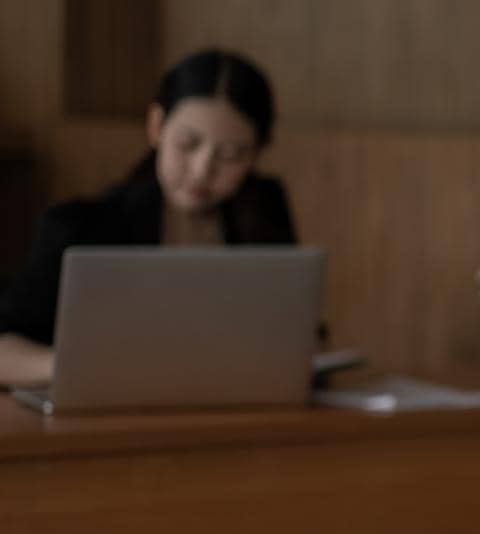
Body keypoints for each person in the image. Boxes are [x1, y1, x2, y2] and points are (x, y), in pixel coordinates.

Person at [0, 49, 296, 387]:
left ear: (256, 154)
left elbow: (300, 335)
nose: (202, 170)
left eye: (231, 154)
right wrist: (75, 366)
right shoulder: (82, 226)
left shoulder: (263, 212)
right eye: (187, 144)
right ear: (157, 127)